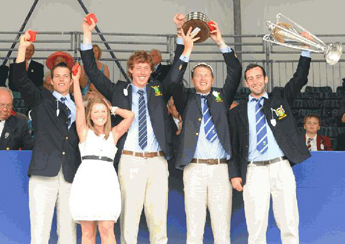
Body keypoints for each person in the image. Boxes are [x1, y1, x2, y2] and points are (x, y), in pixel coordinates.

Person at [79, 14, 184, 244]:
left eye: (147, 68)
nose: (143, 72)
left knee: (158, 221)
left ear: (151, 70)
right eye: (138, 68)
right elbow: (93, 72)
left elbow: (176, 72)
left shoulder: (158, 89)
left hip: (157, 161)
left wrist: (180, 36)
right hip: (130, 161)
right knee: (129, 221)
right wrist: (87, 34)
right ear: (130, 70)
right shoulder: (118, 91)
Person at [228, 32, 313, 244]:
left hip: (281, 167)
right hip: (253, 170)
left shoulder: (280, 98)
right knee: (255, 225)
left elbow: (299, 78)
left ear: (265, 79)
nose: (255, 81)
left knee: (289, 221)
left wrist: (306, 49)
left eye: (258, 77)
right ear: (246, 83)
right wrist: (235, 174)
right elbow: (234, 145)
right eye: (250, 79)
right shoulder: (237, 112)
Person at [171, 20, 242, 243]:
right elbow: (173, 79)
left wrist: (219, 41)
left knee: (222, 226)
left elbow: (236, 70)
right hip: (194, 168)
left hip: (221, 169)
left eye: (207, 75)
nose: (202, 78)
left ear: (213, 79)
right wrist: (185, 49)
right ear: (192, 79)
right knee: (194, 226)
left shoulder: (222, 97)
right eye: (198, 75)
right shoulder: (186, 99)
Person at [13, 30, 81, 244]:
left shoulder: (80, 106)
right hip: (44, 172)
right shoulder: (41, 98)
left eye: (65, 76)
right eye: (57, 76)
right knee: (40, 231)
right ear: (51, 81)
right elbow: (19, 79)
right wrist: (22, 48)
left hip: (70, 173)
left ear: (72, 80)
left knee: (68, 233)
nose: (61, 79)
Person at [69, 64, 134, 244]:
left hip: (107, 182)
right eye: (96, 111)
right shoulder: (83, 132)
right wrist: (75, 81)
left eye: (103, 112)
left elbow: (130, 116)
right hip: (86, 181)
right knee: (88, 232)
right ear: (90, 115)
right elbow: (80, 107)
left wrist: (112, 108)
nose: (100, 115)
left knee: (107, 228)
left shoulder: (114, 133)